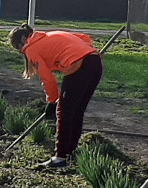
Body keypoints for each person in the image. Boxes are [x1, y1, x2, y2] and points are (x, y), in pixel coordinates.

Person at [9, 24, 102, 169]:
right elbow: (84, 38)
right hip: (95, 63)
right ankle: (70, 152)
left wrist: (52, 102)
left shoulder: (31, 47)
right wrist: (87, 52)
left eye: (18, 47)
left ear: (23, 39)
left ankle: (60, 157)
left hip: (79, 68)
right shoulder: (50, 35)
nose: (22, 52)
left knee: (64, 112)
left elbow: (48, 79)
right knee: (76, 111)